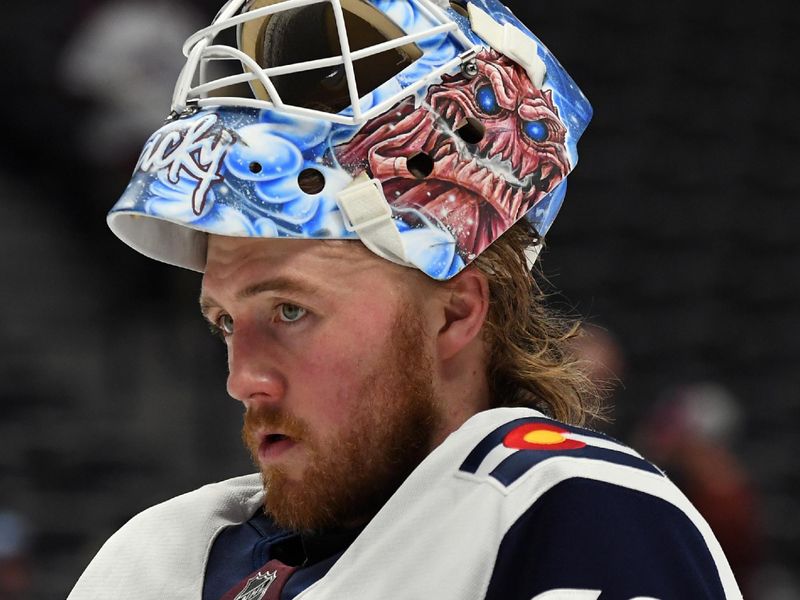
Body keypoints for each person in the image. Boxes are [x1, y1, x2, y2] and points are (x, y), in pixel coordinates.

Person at [69, 0, 743, 598]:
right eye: (224, 321)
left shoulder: (572, 514)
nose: (242, 379)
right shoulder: (158, 553)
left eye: (290, 311)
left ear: (455, 312)